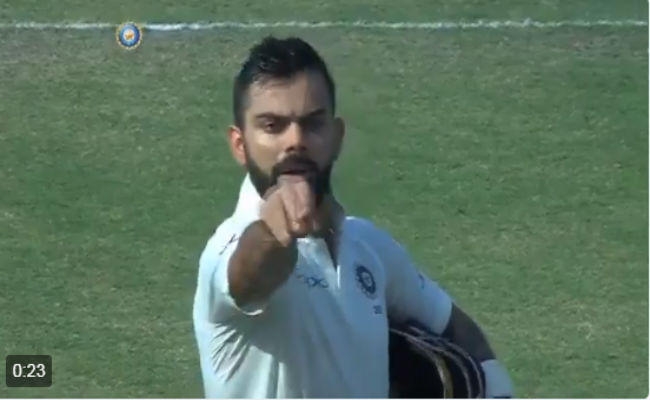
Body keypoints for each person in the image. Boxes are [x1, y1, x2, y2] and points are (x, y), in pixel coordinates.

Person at [192, 35, 513, 398]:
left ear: (337, 136)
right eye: (272, 126)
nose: (295, 141)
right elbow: (248, 278)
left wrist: (498, 390)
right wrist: (275, 232)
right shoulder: (228, 247)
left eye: (313, 124)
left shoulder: (369, 246)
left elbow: (451, 324)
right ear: (240, 145)